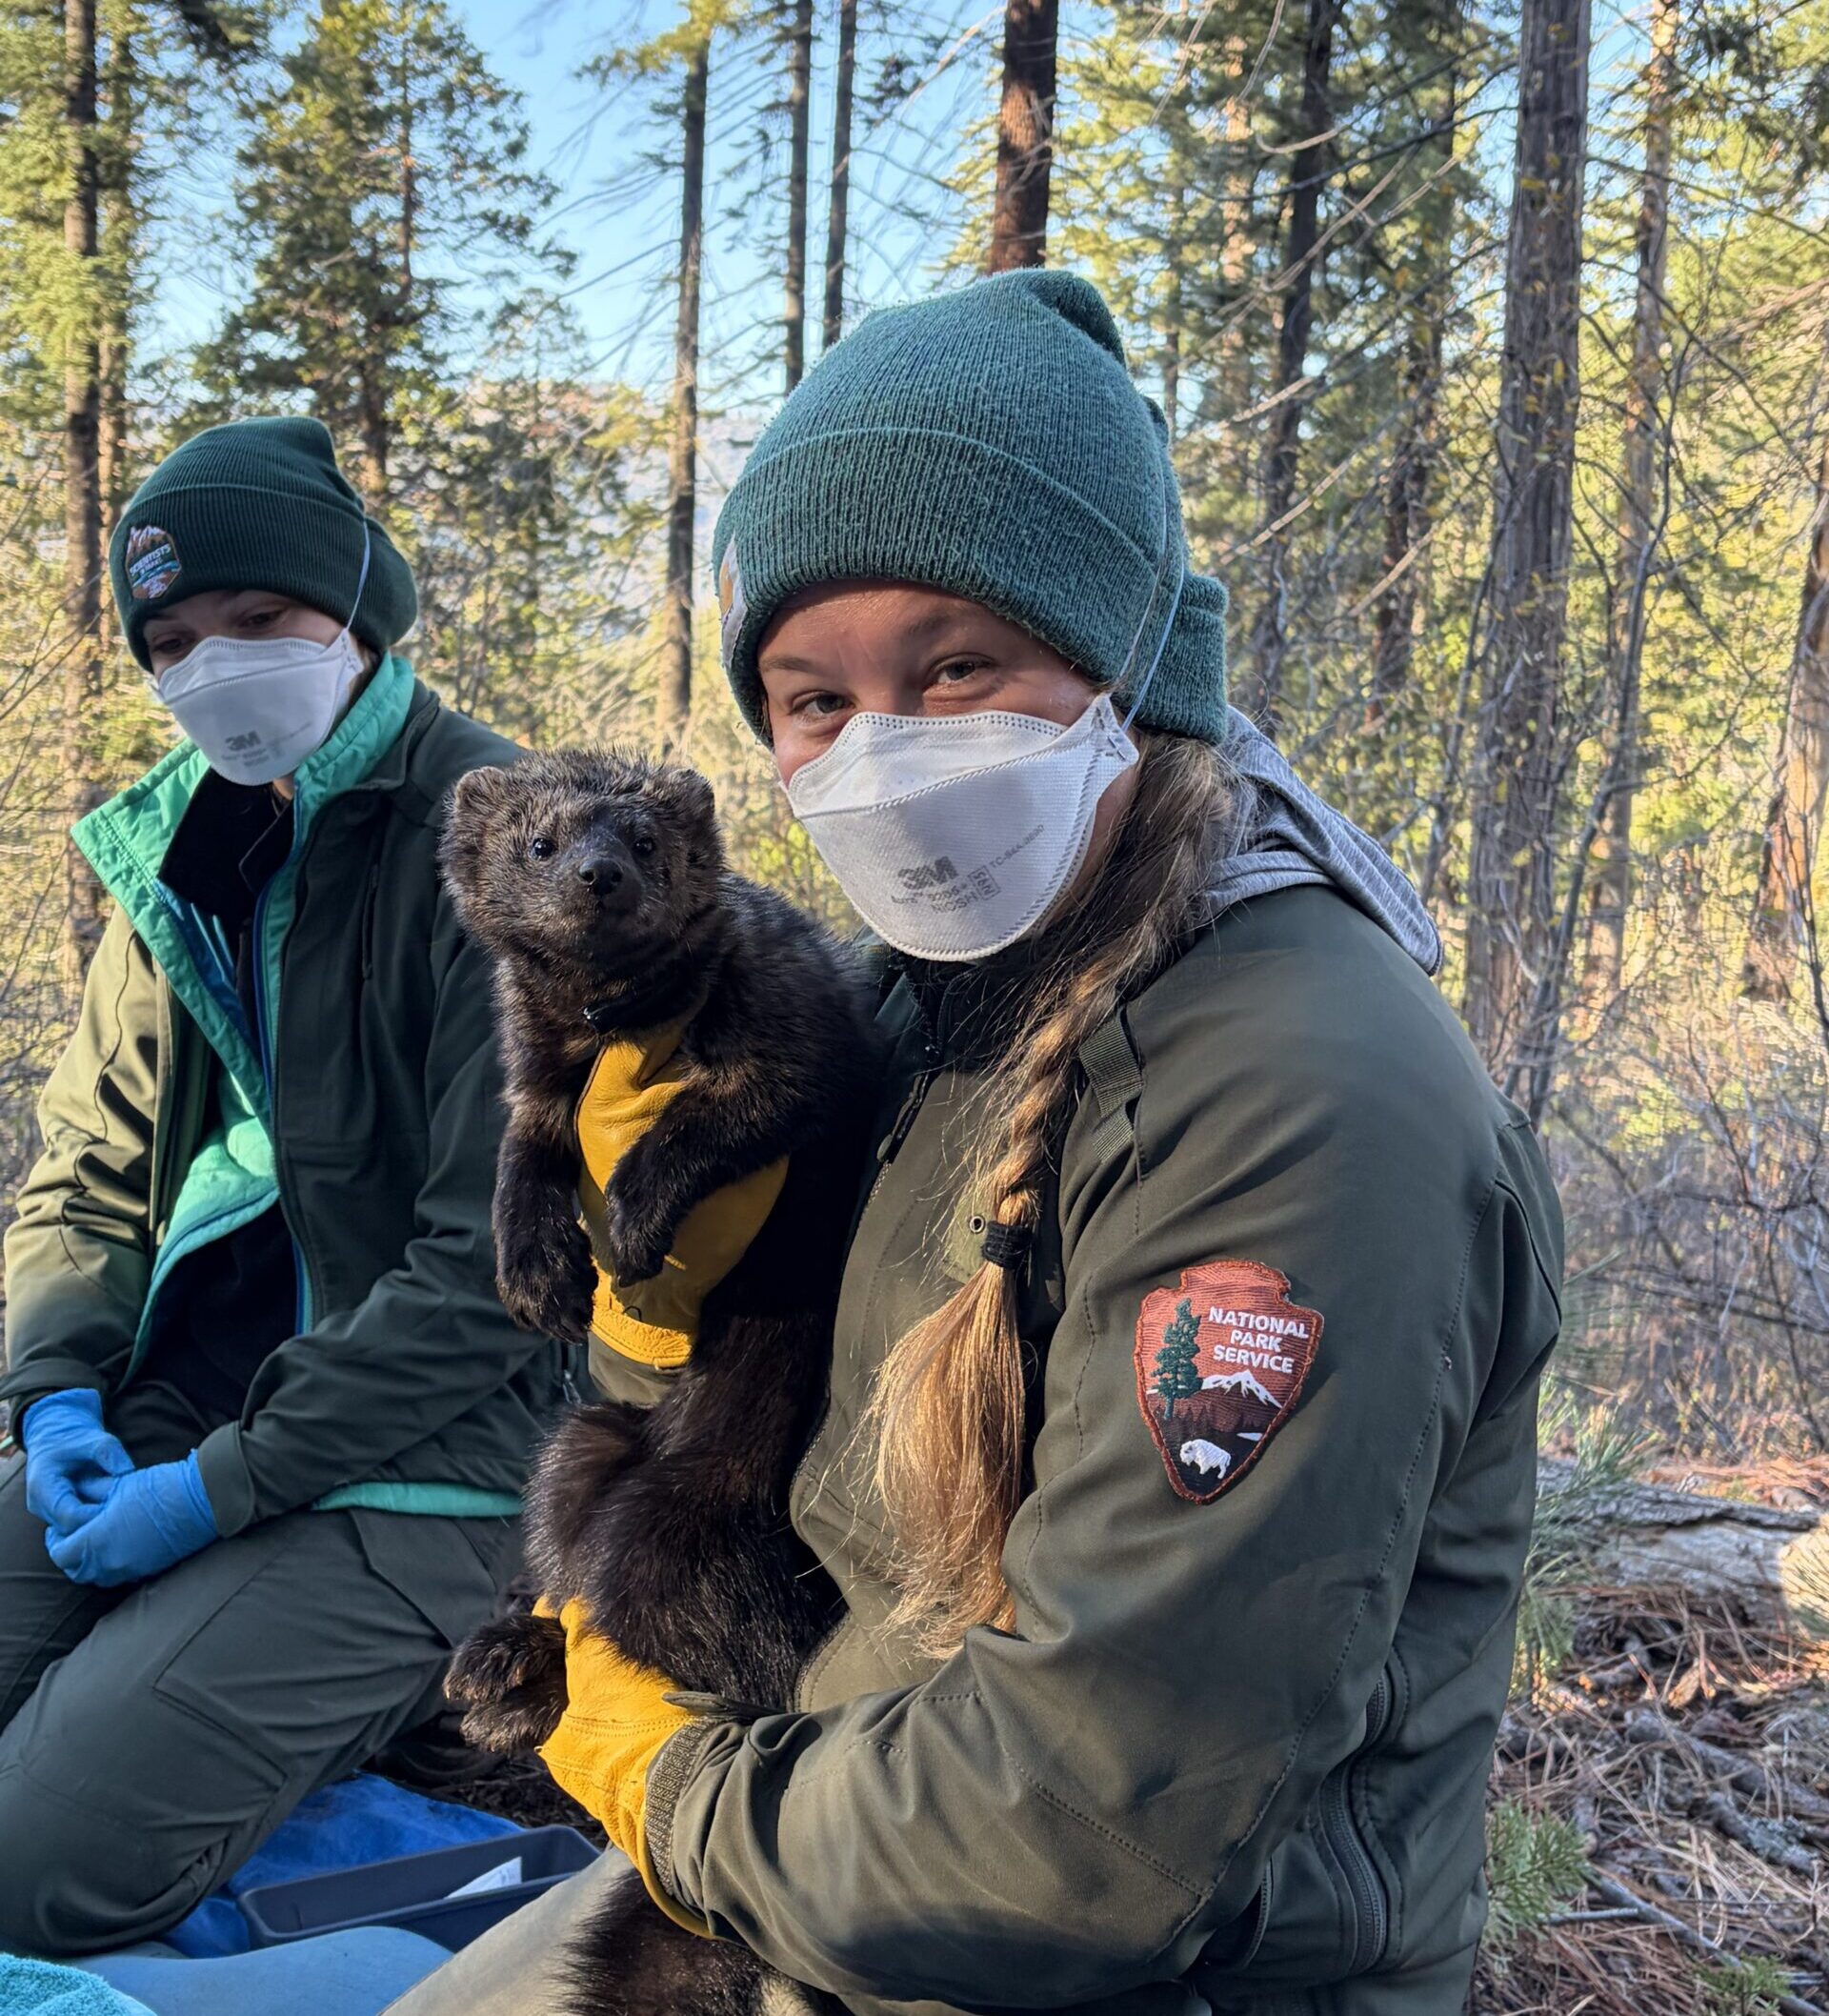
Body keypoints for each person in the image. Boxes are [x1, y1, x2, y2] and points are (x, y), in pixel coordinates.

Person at [390, 272, 1563, 2016]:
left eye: (959, 665)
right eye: (812, 700)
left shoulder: (1293, 1101)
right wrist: (658, 1321)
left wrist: (664, 1786)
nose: (886, 754)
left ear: (1126, 663)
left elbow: (1087, 1828)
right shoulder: (927, 996)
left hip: (1090, 1962)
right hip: (832, 1822)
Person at [0, 416, 562, 1955]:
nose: (213, 672)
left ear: (359, 613)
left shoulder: (512, 852)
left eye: (260, 623)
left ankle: (450, 1894)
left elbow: (491, 1279)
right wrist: (57, 1401)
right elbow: (89, 1178)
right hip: (187, 1412)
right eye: (172, 644)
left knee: (28, 1870)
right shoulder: (174, 861)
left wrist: (220, 1495)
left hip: (435, 1461)